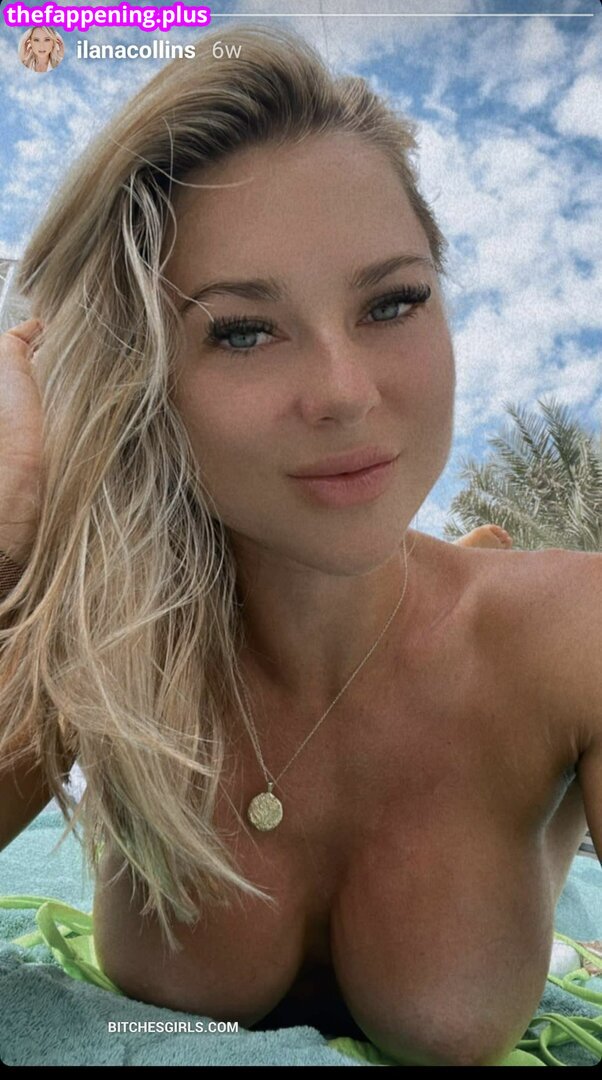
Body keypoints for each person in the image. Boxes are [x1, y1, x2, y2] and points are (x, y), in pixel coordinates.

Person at [0, 24, 599, 1068]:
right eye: (242, 330)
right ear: (140, 374)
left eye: (392, 302)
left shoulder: (573, 634)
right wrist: (15, 533)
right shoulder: (102, 640)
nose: (344, 393)